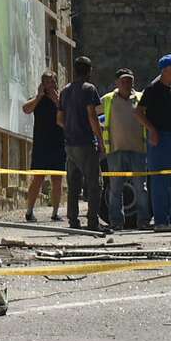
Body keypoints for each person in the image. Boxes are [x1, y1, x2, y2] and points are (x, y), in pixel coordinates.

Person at [136, 56, 171, 232]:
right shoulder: (152, 89)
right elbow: (138, 112)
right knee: (160, 182)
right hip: (159, 140)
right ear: (166, 70)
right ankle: (160, 221)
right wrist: (151, 130)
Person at [58, 57, 105, 229]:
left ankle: (73, 219)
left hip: (70, 144)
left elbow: (59, 119)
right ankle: (93, 220)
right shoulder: (89, 89)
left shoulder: (64, 91)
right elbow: (93, 116)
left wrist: (71, 128)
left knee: (73, 184)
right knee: (95, 184)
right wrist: (100, 140)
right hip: (85, 142)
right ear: (89, 70)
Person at [101, 69, 146, 229]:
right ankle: (116, 223)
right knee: (115, 189)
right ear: (117, 83)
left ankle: (143, 221)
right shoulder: (108, 100)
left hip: (139, 150)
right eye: (124, 81)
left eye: (130, 81)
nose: (127, 84)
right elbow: (92, 113)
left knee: (141, 188)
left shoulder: (141, 98)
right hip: (115, 151)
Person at [23, 71, 64, 224]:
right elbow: (26, 109)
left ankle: (55, 212)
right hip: (41, 144)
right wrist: (39, 96)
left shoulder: (61, 99)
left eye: (52, 81)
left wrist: (56, 100)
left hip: (58, 144)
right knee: (38, 179)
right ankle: (29, 211)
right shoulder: (37, 99)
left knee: (57, 180)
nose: (50, 85)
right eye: (46, 82)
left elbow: (66, 113)